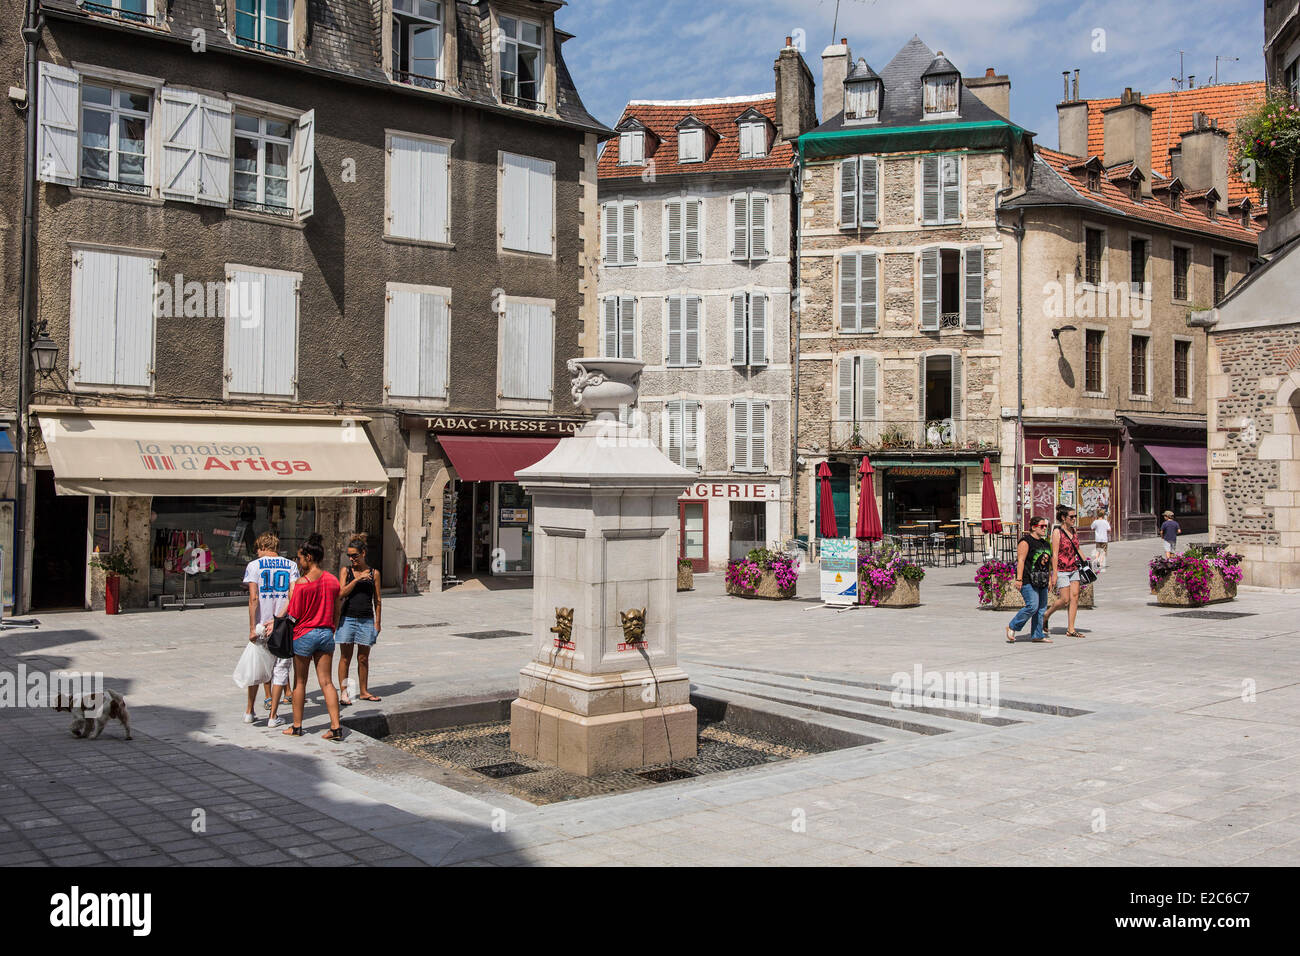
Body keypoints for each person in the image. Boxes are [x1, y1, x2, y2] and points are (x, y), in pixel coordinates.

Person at [277, 533, 344, 741]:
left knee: (299, 682)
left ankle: (297, 726)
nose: (298, 562)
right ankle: (335, 727)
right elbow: (337, 608)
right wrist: (331, 628)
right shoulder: (332, 580)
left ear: (308, 557)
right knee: (327, 682)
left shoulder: (301, 584)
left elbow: (293, 615)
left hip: (304, 635)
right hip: (326, 633)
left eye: (299, 558)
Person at [242, 532, 299, 726]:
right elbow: (293, 595)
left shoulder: (253, 566)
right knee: (281, 668)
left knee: (257, 667)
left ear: (262, 547)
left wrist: (252, 628)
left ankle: (249, 711)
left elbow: (253, 598)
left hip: (261, 625)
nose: (256, 553)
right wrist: (280, 617)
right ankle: (273, 716)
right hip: (282, 625)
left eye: (257, 549)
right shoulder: (291, 565)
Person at [336, 535, 382, 706]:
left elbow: (377, 599)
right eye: (349, 555)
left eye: (354, 555)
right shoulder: (345, 571)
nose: (351, 559)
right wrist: (356, 579)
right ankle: (344, 692)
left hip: (366, 619)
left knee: (363, 658)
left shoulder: (374, 573)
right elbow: (341, 593)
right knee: (345, 657)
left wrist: (378, 622)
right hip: (347, 618)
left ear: (363, 553)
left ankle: (363, 691)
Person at [1006, 515, 1052, 643]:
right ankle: (1012, 626)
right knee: (1032, 606)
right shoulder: (1025, 541)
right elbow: (1020, 560)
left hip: (1042, 579)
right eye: (1041, 526)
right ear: (1033, 527)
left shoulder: (1045, 543)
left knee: (1041, 608)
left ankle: (1037, 635)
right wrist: (1019, 579)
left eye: (1045, 526)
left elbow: (1047, 564)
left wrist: (1050, 579)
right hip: (1028, 579)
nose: (1044, 529)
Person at [1043, 505, 1086, 638]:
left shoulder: (1074, 531)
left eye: (1075, 516)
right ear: (1063, 518)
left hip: (1074, 568)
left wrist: (1086, 563)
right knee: (1065, 599)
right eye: (1071, 517)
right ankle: (1046, 615)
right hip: (1061, 569)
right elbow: (1054, 554)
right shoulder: (1057, 532)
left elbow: (1077, 549)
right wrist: (1054, 573)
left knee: (1075, 598)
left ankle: (1071, 629)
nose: (1074, 519)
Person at [1091, 507, 1111, 573]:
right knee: (1103, 552)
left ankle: (1096, 561)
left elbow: (1092, 527)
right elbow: (1109, 529)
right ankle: (1101, 563)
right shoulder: (1105, 522)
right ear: (1103, 515)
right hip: (1104, 539)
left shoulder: (1095, 522)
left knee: (1098, 551)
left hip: (1098, 539)